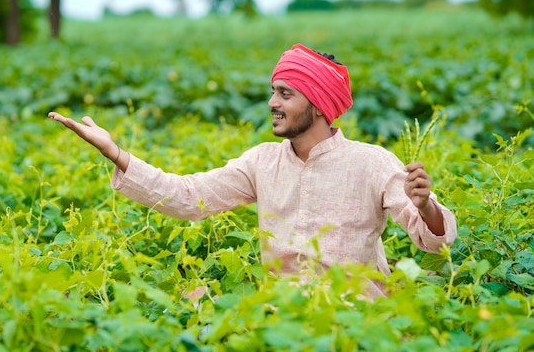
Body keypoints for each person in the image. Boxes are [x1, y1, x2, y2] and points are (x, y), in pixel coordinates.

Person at [48, 43, 457, 298]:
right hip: (280, 313)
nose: (272, 103)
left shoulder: (371, 162)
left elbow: (434, 244)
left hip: (357, 316)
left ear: (317, 105)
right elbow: (188, 197)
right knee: (193, 298)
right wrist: (116, 153)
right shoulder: (261, 161)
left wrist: (425, 207)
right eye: (272, 91)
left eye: (285, 93)